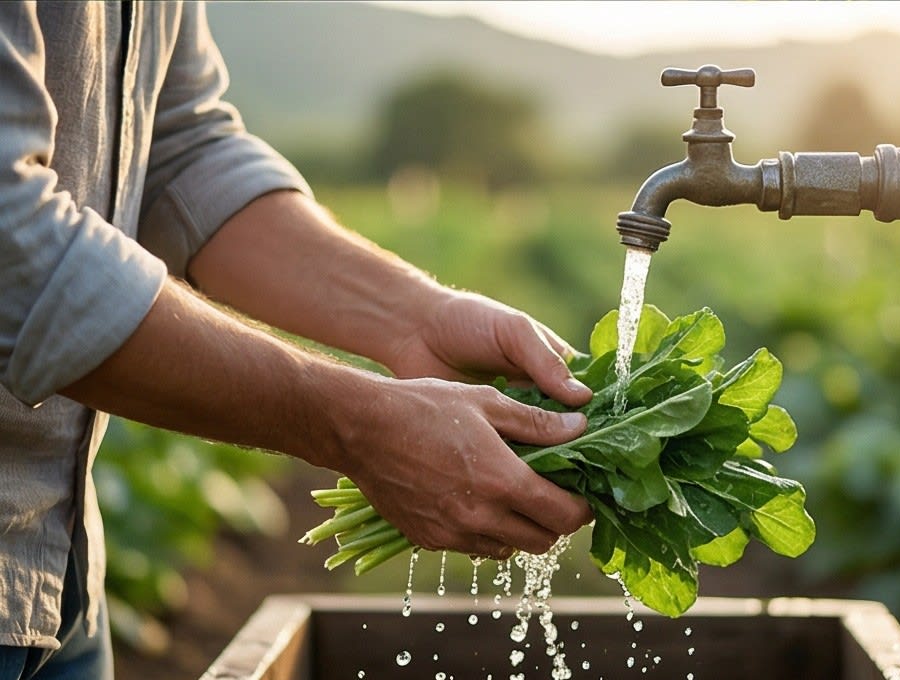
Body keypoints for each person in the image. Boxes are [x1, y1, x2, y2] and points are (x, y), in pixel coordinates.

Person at [0, 2, 594, 678]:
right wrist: (360, 425)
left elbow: (177, 149)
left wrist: (417, 317)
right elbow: (10, 242)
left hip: (61, 559)